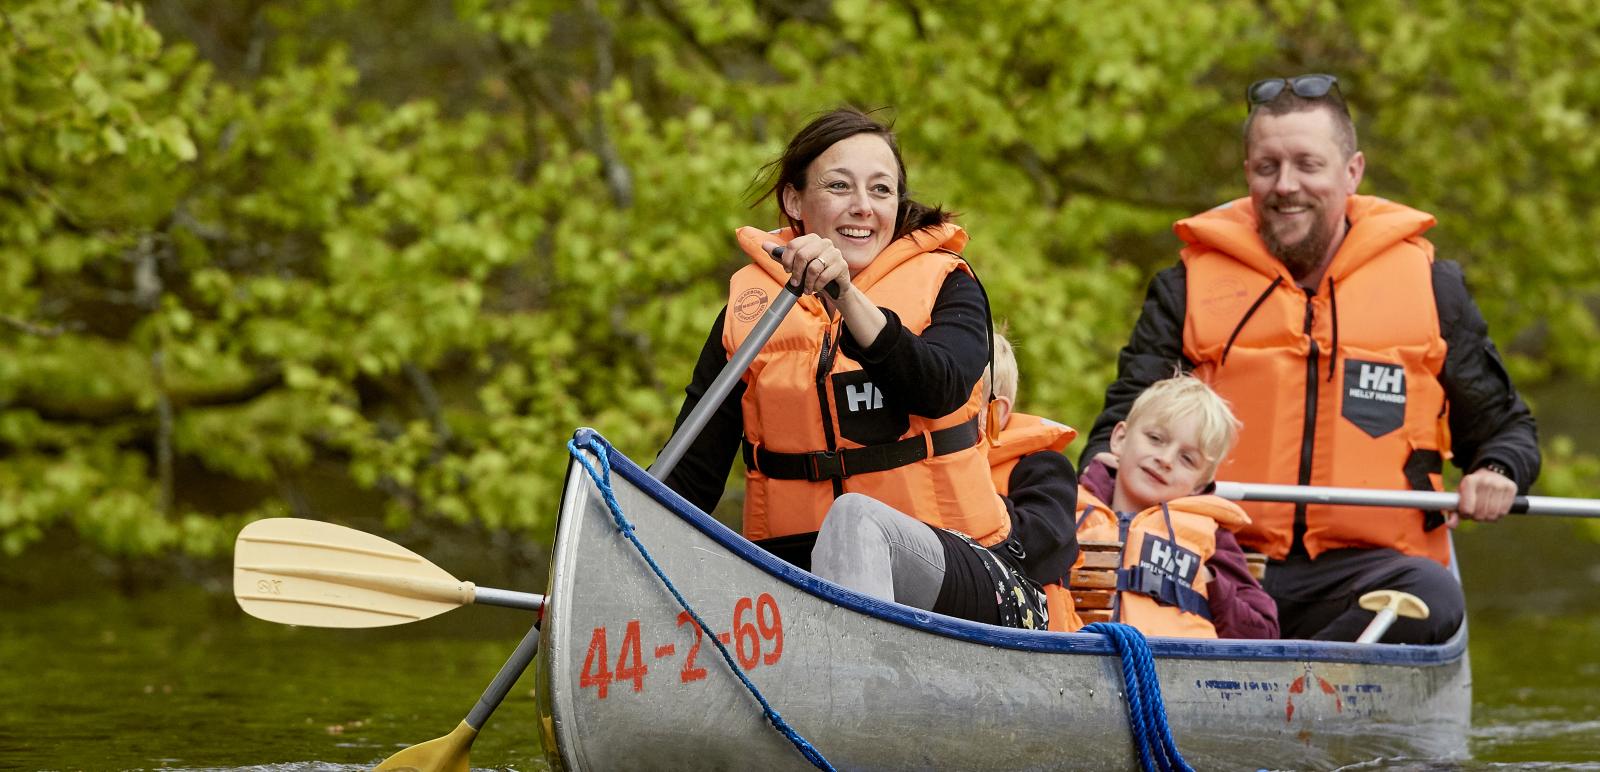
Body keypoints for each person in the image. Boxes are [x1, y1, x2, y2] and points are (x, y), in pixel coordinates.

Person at [1081, 74, 1540, 644]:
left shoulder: (1433, 288)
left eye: (1308, 165)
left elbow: (1506, 430)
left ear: (1353, 172)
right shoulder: (1185, 287)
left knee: (1434, 595)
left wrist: (1496, 472)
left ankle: (1301, 676)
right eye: (1267, 166)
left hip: (1361, 573)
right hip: (1217, 556)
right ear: (1248, 172)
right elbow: (1122, 423)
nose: (1286, 185)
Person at [661, 108, 1048, 628]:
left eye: (881, 191)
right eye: (839, 186)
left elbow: (940, 388)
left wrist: (843, 294)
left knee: (856, 520)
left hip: (977, 577)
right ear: (794, 201)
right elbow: (689, 478)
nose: (863, 207)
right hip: (798, 577)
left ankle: (856, 688)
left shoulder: (950, 284)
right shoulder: (748, 311)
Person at [1074, 375, 1278, 639]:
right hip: (1069, 669)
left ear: (1199, 485)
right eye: (1155, 438)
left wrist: (1210, 582)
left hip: (1167, 675)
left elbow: (1265, 633)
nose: (1166, 459)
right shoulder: (1066, 511)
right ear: (1120, 439)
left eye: (1187, 458)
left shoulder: (1213, 539)